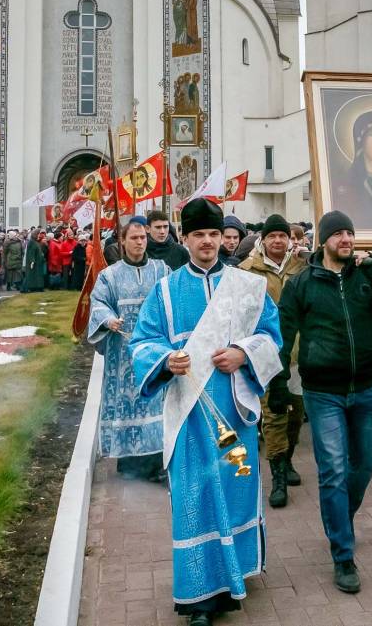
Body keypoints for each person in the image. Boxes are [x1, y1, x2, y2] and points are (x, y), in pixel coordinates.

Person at [129, 198, 282, 626]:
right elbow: (142, 342)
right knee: (193, 498)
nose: (208, 242)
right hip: (189, 419)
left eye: (214, 234)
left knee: (234, 491)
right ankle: (198, 597)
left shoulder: (247, 288)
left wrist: (242, 352)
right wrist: (164, 360)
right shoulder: (165, 291)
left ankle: (237, 571)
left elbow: (273, 337)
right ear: (186, 238)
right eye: (199, 235)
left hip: (234, 416)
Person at [271, 210, 372, 593]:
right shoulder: (302, 284)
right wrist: (278, 383)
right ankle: (343, 554)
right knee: (332, 470)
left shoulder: (367, 276)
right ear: (323, 240)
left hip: (367, 388)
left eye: (350, 232)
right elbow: (283, 334)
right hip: (323, 391)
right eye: (338, 233)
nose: (346, 239)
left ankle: (339, 519)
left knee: (363, 465)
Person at [87, 217, 169, 481]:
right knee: (128, 404)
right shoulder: (109, 275)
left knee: (154, 402)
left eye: (143, 237)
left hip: (154, 350)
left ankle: (155, 464)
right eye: (134, 238)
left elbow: (172, 299)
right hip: (123, 354)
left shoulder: (161, 270)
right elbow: (97, 301)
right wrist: (108, 319)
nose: (140, 242)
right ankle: (129, 463)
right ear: (122, 242)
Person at [239, 214, 308, 506]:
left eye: (282, 236)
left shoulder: (303, 268)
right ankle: (278, 477)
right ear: (263, 240)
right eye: (272, 236)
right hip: (265, 356)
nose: (278, 241)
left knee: (296, 414)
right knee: (274, 415)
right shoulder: (247, 271)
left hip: (298, 355)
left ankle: (288, 459)